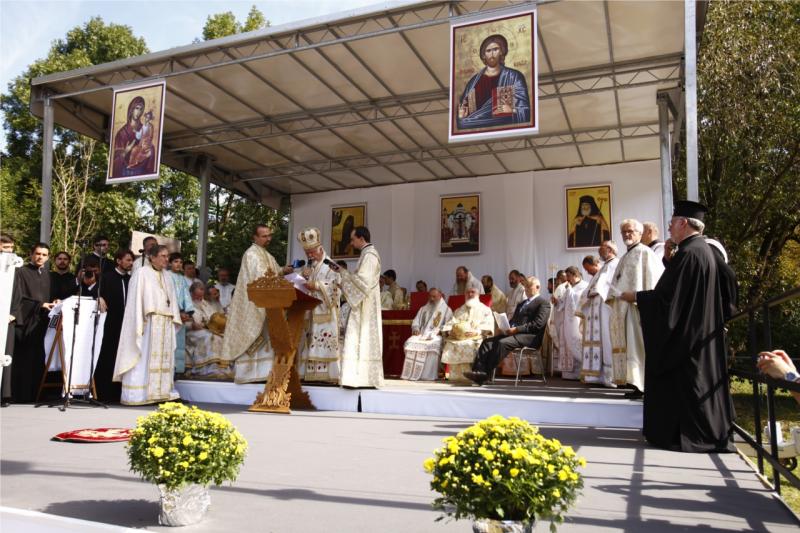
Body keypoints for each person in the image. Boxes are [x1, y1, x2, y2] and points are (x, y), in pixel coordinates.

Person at [625, 200, 735, 452]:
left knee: (682, 381)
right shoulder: (698, 250)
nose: (669, 228)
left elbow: (669, 299)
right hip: (698, 331)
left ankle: (684, 435)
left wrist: (637, 297)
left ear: (683, 223)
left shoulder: (690, 253)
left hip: (687, 337)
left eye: (672, 223)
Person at [113, 244, 182, 406]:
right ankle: (139, 394)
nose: (166, 259)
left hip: (165, 323)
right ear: (152, 257)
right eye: (163, 256)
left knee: (164, 360)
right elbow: (135, 301)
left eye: (167, 256)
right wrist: (140, 322)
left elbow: (172, 301)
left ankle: (162, 393)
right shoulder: (141, 273)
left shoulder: (168, 276)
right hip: (148, 323)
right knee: (143, 358)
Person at [607, 219, 664, 397]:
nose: (627, 234)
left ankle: (643, 385)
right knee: (630, 347)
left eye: (630, 231)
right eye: (624, 231)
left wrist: (641, 299)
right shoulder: (625, 256)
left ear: (640, 233)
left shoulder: (645, 252)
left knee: (638, 347)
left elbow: (654, 281)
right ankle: (633, 382)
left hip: (636, 308)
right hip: (624, 309)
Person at [220, 224, 282, 384]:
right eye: (264, 236)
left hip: (266, 302)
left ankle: (265, 373)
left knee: (266, 337)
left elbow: (273, 272)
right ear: (255, 237)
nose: (268, 239)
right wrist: (277, 276)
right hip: (253, 304)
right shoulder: (252, 254)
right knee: (253, 334)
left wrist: (283, 271)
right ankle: (247, 374)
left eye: (269, 235)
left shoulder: (266, 254)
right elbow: (261, 277)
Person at [466, 276, 550, 386]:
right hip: (515, 335)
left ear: (538, 287)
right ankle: (477, 371)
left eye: (529, 286)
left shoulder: (543, 303)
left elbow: (537, 325)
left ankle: (485, 374)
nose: (526, 289)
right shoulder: (522, 303)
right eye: (525, 286)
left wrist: (516, 329)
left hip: (530, 337)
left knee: (502, 343)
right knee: (487, 342)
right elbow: (514, 320)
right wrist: (504, 327)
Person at [334, 226, 384, 388]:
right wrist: (343, 274)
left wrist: (343, 274)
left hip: (366, 304)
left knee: (362, 336)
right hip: (363, 303)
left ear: (361, 239)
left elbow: (363, 283)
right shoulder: (366, 254)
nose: (351, 243)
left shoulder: (370, 256)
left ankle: (363, 378)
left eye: (353, 239)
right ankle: (357, 377)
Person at [10, 243, 56, 403]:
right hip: (24, 323)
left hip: (42, 323)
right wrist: (39, 305)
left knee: (38, 359)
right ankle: (18, 395)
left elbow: (51, 296)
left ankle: (36, 395)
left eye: (44, 255)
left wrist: (54, 301)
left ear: (48, 257)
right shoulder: (20, 272)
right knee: (23, 360)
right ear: (31, 254)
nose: (40, 257)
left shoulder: (48, 275)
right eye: (38, 253)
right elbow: (17, 298)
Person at [457, 34, 531, 130]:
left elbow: (525, 110)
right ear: (483, 55)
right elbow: (463, 108)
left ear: (501, 52)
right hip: (474, 125)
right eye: (488, 51)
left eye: (495, 49)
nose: (492, 54)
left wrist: (512, 110)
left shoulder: (514, 76)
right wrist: (461, 115)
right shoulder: (473, 82)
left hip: (503, 123)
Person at [296, 227, 341, 384]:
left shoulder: (331, 265)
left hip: (325, 313)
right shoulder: (310, 266)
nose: (309, 255)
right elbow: (301, 285)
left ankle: (328, 376)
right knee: (309, 342)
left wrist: (316, 285)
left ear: (320, 248)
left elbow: (336, 286)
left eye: (312, 252)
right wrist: (302, 276)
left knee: (323, 342)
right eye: (307, 253)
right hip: (311, 312)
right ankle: (308, 374)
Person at [578, 241, 619, 387]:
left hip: (606, 310)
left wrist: (594, 291)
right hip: (596, 311)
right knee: (600, 342)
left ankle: (610, 377)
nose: (599, 250)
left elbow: (610, 286)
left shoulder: (615, 264)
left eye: (601, 247)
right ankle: (597, 376)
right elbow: (590, 288)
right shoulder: (605, 267)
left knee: (607, 341)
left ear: (610, 249)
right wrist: (589, 293)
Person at [95, 248, 133, 402]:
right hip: (110, 324)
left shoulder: (131, 279)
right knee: (108, 356)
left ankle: (119, 393)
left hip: (127, 325)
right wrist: (99, 297)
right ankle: (104, 393)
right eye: (128, 260)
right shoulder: (107, 277)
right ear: (118, 261)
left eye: (132, 260)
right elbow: (96, 292)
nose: (131, 263)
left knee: (123, 358)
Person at [441, 284, 494, 383]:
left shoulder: (485, 310)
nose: (470, 294)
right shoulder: (459, 310)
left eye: (472, 292)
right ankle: (456, 377)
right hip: (459, 338)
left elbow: (488, 325)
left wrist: (477, 331)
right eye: (467, 292)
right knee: (449, 344)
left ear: (478, 295)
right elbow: (451, 322)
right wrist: (450, 330)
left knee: (469, 344)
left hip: (477, 338)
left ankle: (474, 376)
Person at [401, 288, 453, 381]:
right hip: (421, 335)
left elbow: (449, 325)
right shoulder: (423, 309)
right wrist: (416, 329)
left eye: (434, 297)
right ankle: (412, 373)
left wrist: (441, 331)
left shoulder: (446, 310)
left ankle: (429, 375)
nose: (431, 299)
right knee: (409, 342)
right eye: (430, 296)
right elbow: (416, 322)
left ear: (440, 296)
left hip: (437, 336)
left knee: (433, 345)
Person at [185, 281, 231, 380]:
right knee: (210, 337)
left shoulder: (205, 303)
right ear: (191, 293)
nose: (200, 299)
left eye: (201, 296)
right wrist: (191, 325)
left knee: (220, 337)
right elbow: (182, 321)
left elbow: (214, 316)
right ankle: (204, 368)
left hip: (206, 329)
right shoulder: (186, 303)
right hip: (191, 331)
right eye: (197, 296)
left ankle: (220, 366)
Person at [111, 96, 155, 177]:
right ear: (131, 109)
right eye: (136, 108)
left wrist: (149, 150)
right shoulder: (122, 133)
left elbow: (149, 143)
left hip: (142, 171)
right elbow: (115, 159)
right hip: (126, 171)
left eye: (141, 109)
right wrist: (126, 151)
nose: (138, 112)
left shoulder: (145, 128)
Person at [558, 266, 588, 380]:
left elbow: (579, 300)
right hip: (568, 321)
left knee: (578, 344)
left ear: (575, 275)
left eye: (569, 276)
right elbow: (563, 303)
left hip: (578, 321)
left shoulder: (585, 285)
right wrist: (557, 301)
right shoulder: (570, 287)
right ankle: (570, 373)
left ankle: (582, 372)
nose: (567, 279)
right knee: (569, 345)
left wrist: (569, 291)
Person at [167, 252, 194, 376]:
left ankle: (177, 371)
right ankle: (168, 369)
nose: (178, 264)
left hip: (181, 315)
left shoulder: (182, 279)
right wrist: (176, 311)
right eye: (175, 261)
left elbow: (186, 296)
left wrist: (188, 312)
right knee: (170, 343)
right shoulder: (166, 276)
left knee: (179, 344)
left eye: (180, 262)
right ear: (170, 263)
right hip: (170, 314)